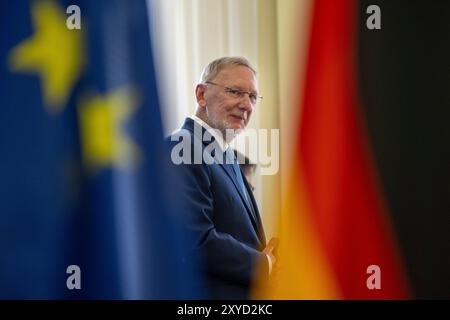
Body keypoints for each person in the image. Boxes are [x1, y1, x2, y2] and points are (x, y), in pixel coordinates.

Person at [168, 57, 277, 299]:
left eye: (252, 97)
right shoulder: (183, 146)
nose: (246, 105)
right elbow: (194, 238)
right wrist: (264, 264)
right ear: (201, 95)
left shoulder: (225, 156)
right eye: (235, 92)